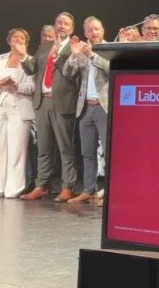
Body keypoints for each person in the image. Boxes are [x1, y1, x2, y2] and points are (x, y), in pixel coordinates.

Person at [20, 12, 81, 201]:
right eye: (59, 23)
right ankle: (42, 185)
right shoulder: (45, 46)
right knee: (44, 148)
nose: (61, 26)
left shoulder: (74, 47)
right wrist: (23, 55)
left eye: (66, 24)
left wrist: (58, 55)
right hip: (42, 101)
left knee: (65, 147)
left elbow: (71, 74)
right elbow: (32, 70)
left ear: (71, 29)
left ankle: (67, 187)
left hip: (62, 102)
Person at [63, 17, 110, 205]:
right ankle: (89, 190)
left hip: (103, 106)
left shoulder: (109, 49)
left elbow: (111, 68)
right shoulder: (80, 52)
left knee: (108, 152)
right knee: (87, 152)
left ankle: (109, 192)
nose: (94, 32)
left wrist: (92, 55)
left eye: (97, 29)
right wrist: (74, 56)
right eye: (90, 30)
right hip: (85, 107)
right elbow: (67, 73)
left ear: (103, 30)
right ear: (85, 33)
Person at [0, 28, 35, 198]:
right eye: (14, 37)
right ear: (9, 40)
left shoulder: (31, 61)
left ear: (26, 42)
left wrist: (16, 85)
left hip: (19, 106)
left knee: (17, 149)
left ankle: (13, 189)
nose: (17, 40)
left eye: (21, 38)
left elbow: (33, 87)